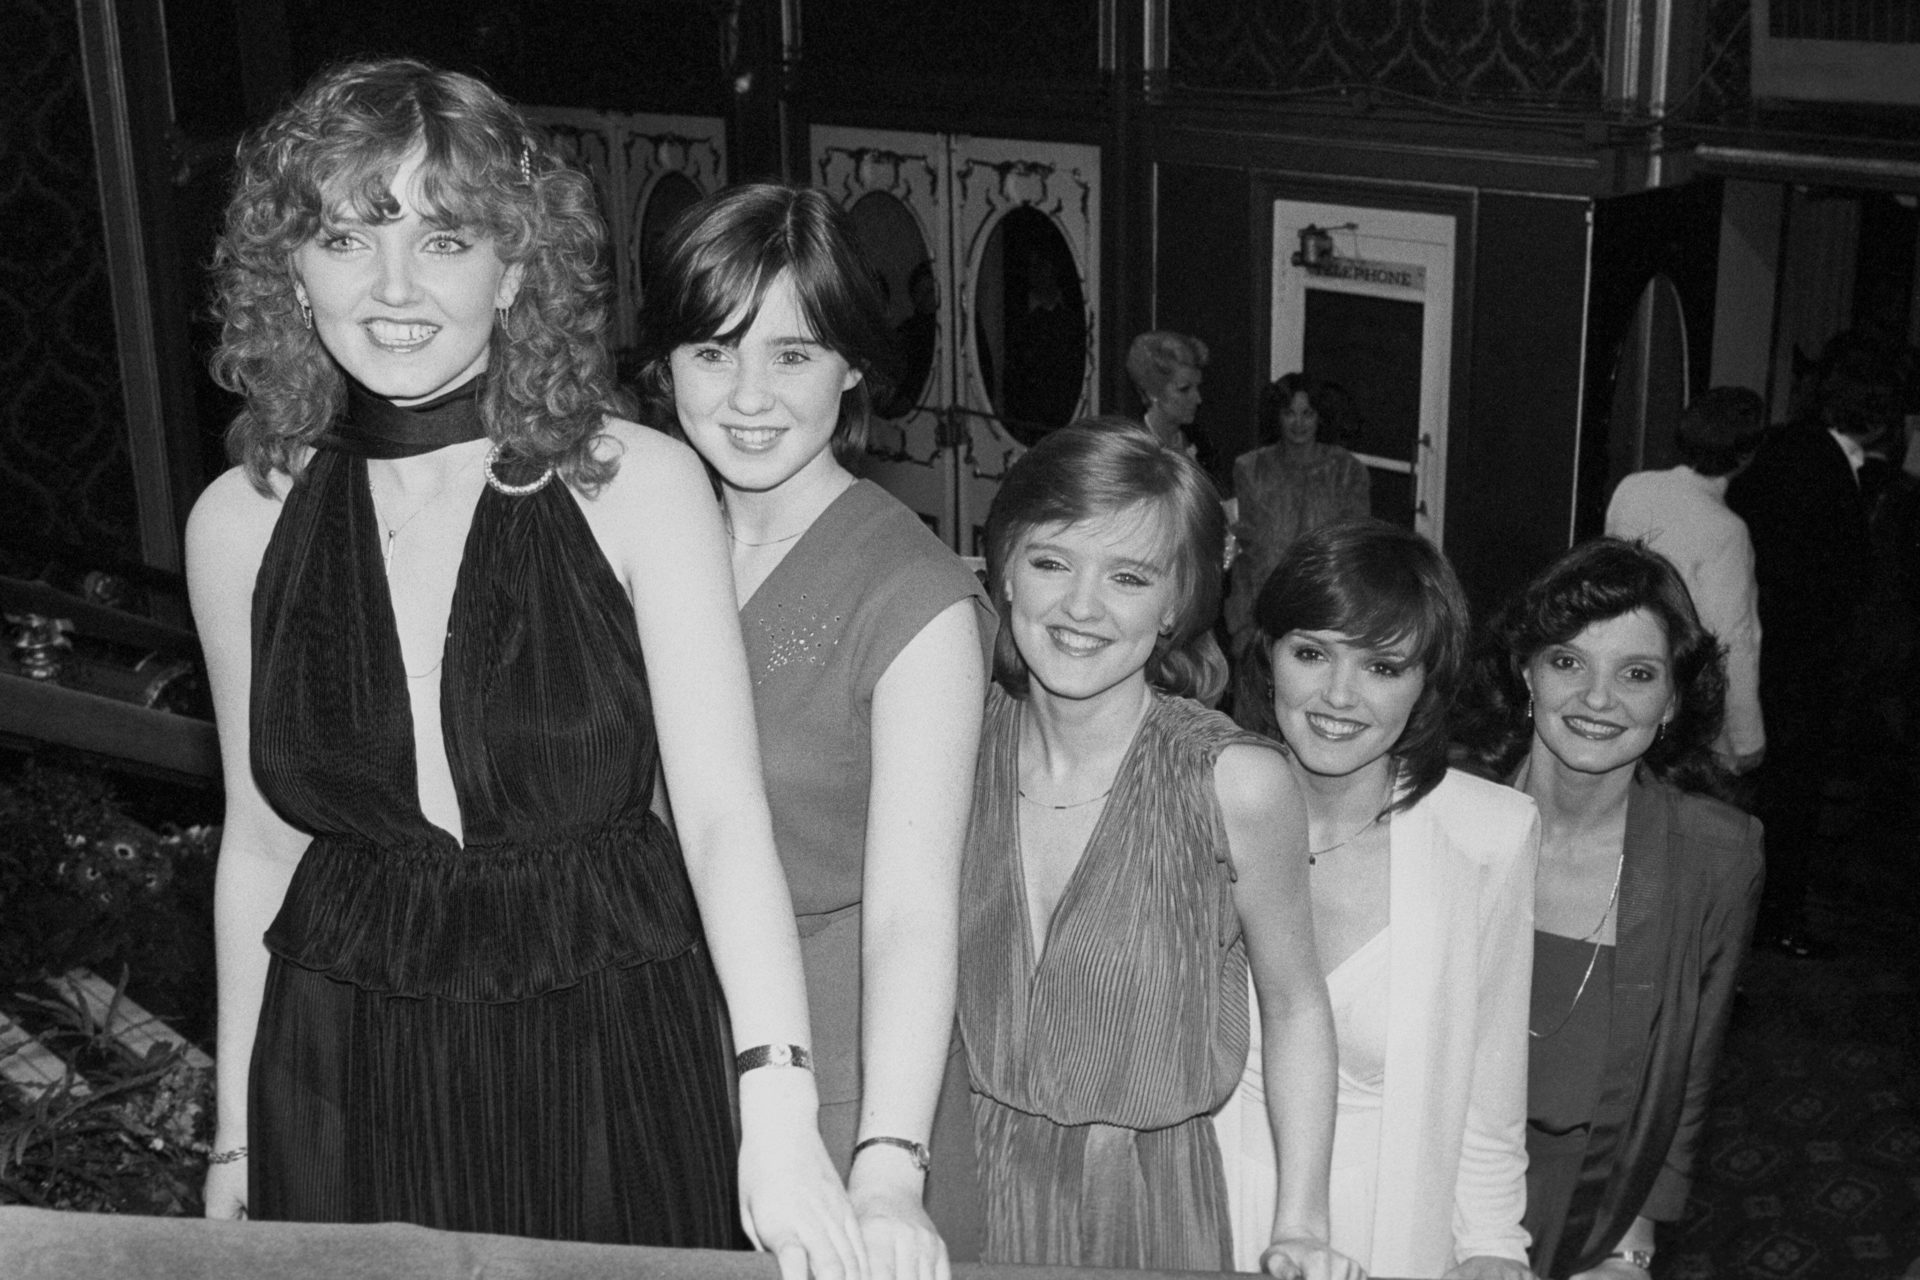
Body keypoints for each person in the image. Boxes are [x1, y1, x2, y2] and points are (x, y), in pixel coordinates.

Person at [187, 60, 860, 1272]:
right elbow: (260, 844)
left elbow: (720, 819)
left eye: (443, 239)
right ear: (290, 268)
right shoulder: (237, 521)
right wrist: (235, 1131)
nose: (393, 288)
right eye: (346, 237)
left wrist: (779, 1105)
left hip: (608, 1031)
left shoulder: (636, 484)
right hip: (344, 1051)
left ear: (512, 270)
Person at [636, 181, 994, 1270]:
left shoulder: (913, 595)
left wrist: (887, 1164)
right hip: (643, 1055)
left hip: (844, 1076)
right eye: (711, 349)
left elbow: (912, 914)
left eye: (791, 354)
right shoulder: (631, 537)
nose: (747, 394)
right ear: (663, 366)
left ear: (852, 367)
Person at [957, 422, 1348, 1277]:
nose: (1082, 606)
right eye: (1052, 561)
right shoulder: (950, 748)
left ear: (1176, 603)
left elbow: (1296, 1007)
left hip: (1140, 1209)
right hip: (960, 1190)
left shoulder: (1234, 781)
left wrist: (1303, 1224)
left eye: (1129, 576)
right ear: (1004, 570)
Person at [1218, 518, 1537, 1279]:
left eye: (1383, 667)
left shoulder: (1487, 833)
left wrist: (1494, 1246)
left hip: (1387, 1224)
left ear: (1428, 681)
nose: (1337, 695)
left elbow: (1491, 1083)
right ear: (1268, 655)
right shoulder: (1202, 800)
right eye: (1311, 652)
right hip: (1195, 1206)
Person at [1458, 538, 1763, 1280]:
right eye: (1568, 662)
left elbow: (1689, 1073)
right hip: (1429, 1175)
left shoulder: (1715, 855)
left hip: (1590, 1206)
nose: (1598, 700)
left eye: (1636, 674)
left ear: (1673, 701)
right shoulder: (1449, 813)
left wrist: (1634, 1244)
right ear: (1526, 672)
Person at [1729, 335, 1896, 955]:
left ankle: (1754, 916)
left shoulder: (1779, 447)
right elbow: (1839, 579)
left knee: (1764, 798)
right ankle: (1775, 921)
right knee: (1789, 798)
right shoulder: (1827, 472)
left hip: (1772, 655)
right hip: (1800, 665)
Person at [1605, 387, 1766, 772]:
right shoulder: (1726, 528)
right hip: (1680, 694)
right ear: (1745, 454)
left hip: (1619, 665)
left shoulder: (1633, 488)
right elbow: (1734, 637)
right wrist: (1747, 737)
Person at [1225, 374, 1371, 658]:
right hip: (1261, 615)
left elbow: (1355, 553)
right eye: (1289, 413)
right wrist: (1242, 626)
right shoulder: (1249, 469)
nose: (1298, 423)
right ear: (1276, 416)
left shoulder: (1348, 472)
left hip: (1325, 615)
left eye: (1307, 413)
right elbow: (1246, 553)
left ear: (1320, 417)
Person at [1124, 330, 1214, 474]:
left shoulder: (1201, 442)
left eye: (1197, 387)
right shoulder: (1133, 448)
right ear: (1152, 391)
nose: (1198, 399)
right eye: (1184, 389)